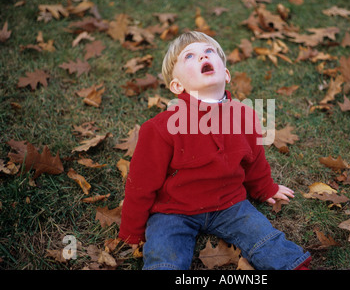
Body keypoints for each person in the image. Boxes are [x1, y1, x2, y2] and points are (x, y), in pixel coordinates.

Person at [118, 31, 311, 270]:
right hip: (174, 209)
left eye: (209, 52)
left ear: (226, 74)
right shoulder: (161, 129)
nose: (202, 57)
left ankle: (292, 265)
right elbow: (141, 183)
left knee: (264, 237)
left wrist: (265, 188)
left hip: (230, 203)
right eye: (190, 56)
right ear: (177, 85)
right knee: (164, 253)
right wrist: (131, 230)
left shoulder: (244, 116)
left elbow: (254, 160)